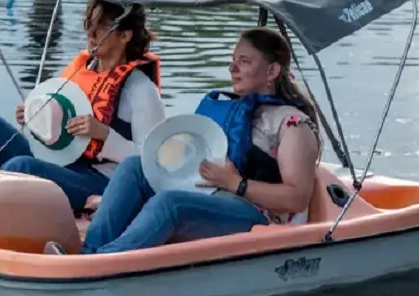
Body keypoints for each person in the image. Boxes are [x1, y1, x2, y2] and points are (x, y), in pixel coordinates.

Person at [46, 26, 320, 255]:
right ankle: (90, 251)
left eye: (244, 62)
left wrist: (236, 184)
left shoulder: (292, 124)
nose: (232, 68)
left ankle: (97, 265)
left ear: (272, 71)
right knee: (133, 165)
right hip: (208, 193)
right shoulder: (232, 108)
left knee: (169, 204)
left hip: (255, 211)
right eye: (232, 60)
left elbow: (296, 198)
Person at [0, 0, 165, 213]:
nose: (90, 34)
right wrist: (34, 120)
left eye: (101, 28)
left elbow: (152, 164)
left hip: (106, 183)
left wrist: (104, 136)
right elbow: (57, 132)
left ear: (125, 35)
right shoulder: (84, 70)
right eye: (88, 24)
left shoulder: (141, 91)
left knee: (20, 167)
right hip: (67, 163)